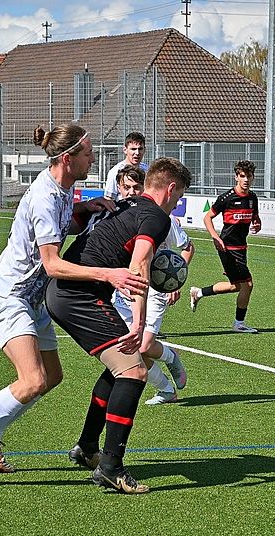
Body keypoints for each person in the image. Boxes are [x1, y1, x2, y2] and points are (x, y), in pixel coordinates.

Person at [0, 123, 147, 490]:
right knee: (33, 380)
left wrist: (85, 208)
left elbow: (61, 224)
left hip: (32, 297)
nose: (93, 158)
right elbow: (53, 264)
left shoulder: (63, 188)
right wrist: (109, 274)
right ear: (68, 158)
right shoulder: (45, 195)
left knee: (51, 377)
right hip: (8, 295)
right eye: (88, 153)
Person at [46, 157, 191, 494]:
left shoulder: (127, 204)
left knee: (119, 369)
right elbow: (139, 265)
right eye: (179, 196)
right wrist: (138, 321)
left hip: (66, 291)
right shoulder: (156, 217)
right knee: (135, 370)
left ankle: (87, 448)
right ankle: (111, 467)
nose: (177, 203)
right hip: (78, 296)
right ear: (170, 188)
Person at [109, 164, 193, 405]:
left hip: (154, 290)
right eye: (126, 187)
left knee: (144, 346)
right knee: (131, 348)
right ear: (119, 188)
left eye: (136, 187)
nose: (131, 192)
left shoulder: (161, 218)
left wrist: (174, 280)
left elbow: (188, 248)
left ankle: (170, 356)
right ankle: (166, 390)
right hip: (123, 290)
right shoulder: (119, 216)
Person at [189, 160, 262, 333]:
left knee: (236, 286)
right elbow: (207, 217)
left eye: (249, 176)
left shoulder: (252, 198)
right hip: (228, 247)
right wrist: (215, 237)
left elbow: (255, 218)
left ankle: (198, 293)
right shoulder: (226, 198)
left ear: (253, 177)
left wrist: (257, 224)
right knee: (248, 284)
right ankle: (239, 324)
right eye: (242, 176)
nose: (246, 180)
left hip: (241, 247)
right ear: (236, 177)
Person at [103, 132, 147, 201]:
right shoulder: (115, 171)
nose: (137, 153)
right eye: (133, 149)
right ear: (125, 150)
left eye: (140, 149)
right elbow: (108, 199)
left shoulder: (147, 170)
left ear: (144, 150)